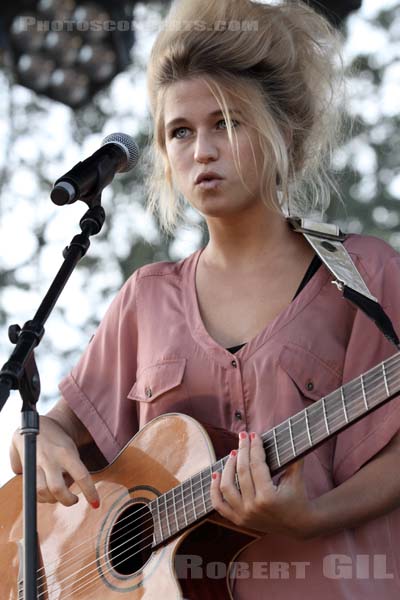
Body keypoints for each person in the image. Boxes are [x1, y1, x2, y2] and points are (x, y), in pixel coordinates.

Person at [9, 0, 400, 598]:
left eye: (227, 123)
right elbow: (60, 428)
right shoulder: (145, 298)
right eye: (180, 132)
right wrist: (41, 441)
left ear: (283, 132)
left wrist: (312, 516)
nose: (202, 151)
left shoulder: (364, 273)